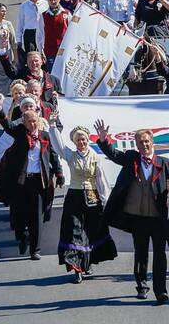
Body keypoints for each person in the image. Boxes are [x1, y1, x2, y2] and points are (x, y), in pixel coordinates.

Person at [94, 120, 169, 305]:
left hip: (158, 218)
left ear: (152, 142)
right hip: (138, 217)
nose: (144, 145)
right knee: (141, 254)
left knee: (160, 255)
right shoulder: (131, 158)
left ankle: (161, 291)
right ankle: (142, 286)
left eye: (147, 141)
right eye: (140, 142)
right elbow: (113, 154)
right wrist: (103, 140)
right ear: (136, 144)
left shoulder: (165, 163)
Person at [0, 100, 62, 260]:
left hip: (38, 181)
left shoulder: (44, 135)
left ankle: (35, 249)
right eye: (29, 121)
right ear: (24, 121)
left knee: (37, 216)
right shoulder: (18, 131)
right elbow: (7, 125)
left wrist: (59, 173)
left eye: (35, 121)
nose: (33, 124)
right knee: (19, 216)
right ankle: (21, 237)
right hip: (21, 182)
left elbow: (53, 156)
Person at [47, 117, 118, 282]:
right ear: (74, 142)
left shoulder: (95, 157)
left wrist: (105, 200)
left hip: (92, 196)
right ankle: (76, 267)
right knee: (74, 231)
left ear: (88, 140)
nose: (81, 142)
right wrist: (52, 126)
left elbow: (101, 180)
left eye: (84, 139)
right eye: (78, 140)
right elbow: (58, 146)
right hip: (75, 196)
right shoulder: (70, 156)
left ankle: (88, 262)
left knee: (91, 230)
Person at [37, 0, 71, 72]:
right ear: (47, 1)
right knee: (52, 73)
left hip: (64, 51)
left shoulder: (66, 14)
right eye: (50, 0)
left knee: (65, 73)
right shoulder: (43, 16)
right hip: (50, 51)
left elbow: (72, 32)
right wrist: (40, 51)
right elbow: (40, 35)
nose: (53, 1)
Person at [16, 0, 48, 68]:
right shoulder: (24, 6)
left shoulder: (45, 4)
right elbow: (20, 23)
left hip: (42, 32)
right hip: (29, 33)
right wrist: (18, 40)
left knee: (43, 54)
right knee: (32, 56)